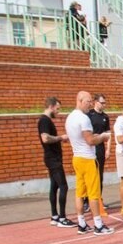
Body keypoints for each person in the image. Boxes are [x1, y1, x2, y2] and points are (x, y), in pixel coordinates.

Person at [65, 90, 114, 235]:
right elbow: (90, 141)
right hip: (87, 158)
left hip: (77, 157)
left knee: (80, 192)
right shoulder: (83, 118)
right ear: (80, 100)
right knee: (93, 193)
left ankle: (81, 222)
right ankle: (98, 224)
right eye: (88, 101)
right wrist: (103, 137)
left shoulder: (70, 118)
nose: (90, 104)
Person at [38, 96, 75, 227]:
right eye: (57, 109)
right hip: (52, 159)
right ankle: (62, 218)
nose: (58, 112)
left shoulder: (46, 120)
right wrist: (61, 137)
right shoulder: (44, 121)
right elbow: (45, 139)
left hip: (52, 158)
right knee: (63, 186)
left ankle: (54, 216)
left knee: (54, 186)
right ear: (51, 106)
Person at [87, 93, 111, 215]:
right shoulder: (89, 115)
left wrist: (108, 149)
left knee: (99, 175)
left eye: (105, 103)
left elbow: (108, 134)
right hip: (91, 147)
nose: (104, 105)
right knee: (91, 175)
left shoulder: (105, 117)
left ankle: (99, 199)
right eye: (102, 103)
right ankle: (87, 200)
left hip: (100, 148)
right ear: (96, 102)